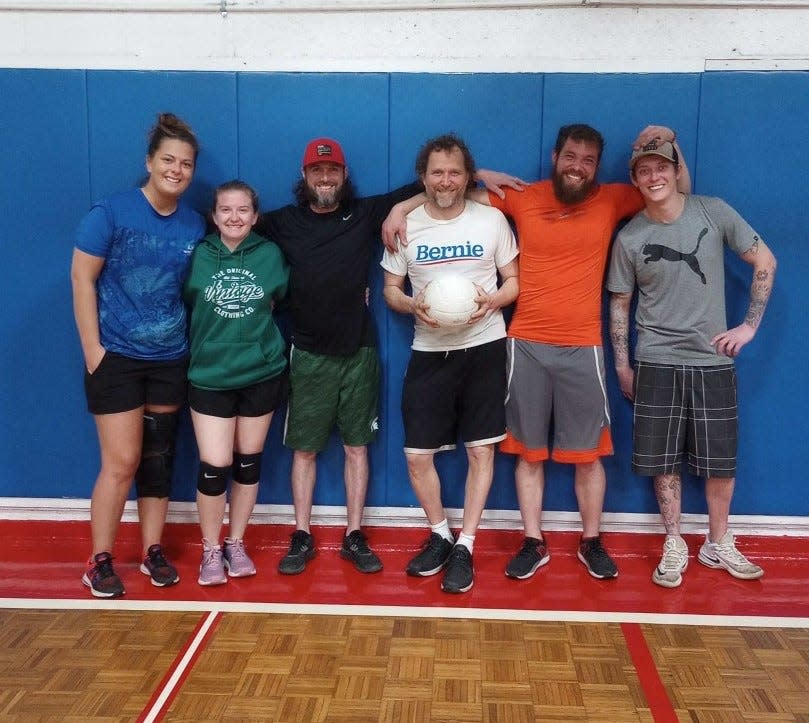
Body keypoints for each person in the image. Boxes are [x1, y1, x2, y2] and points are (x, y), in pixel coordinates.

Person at [383, 122, 688, 582]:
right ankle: (533, 541)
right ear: (555, 157)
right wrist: (400, 208)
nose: (578, 167)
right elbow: (449, 195)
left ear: (597, 166)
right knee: (529, 454)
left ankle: (591, 541)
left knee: (589, 455)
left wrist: (671, 146)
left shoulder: (612, 199)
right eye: (571, 157)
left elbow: (673, 189)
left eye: (588, 160)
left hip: (583, 345)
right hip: (524, 342)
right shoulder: (523, 197)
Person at [258, 137, 517, 576]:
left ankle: (443, 544)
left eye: (333, 171)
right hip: (332, 352)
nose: (325, 177)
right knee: (357, 452)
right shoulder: (284, 222)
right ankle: (313, 535)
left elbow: (426, 196)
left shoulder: (373, 214)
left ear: (344, 175)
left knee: (460, 450)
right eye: (317, 171)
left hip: (419, 348)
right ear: (304, 176)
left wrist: (491, 300)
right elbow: (235, 230)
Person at [607, 140, 776, 588]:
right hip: (656, 360)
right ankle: (675, 541)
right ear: (635, 180)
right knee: (664, 461)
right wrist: (623, 365)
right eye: (644, 170)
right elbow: (620, 304)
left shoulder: (713, 212)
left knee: (720, 461)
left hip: (712, 361)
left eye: (662, 166)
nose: (654, 176)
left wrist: (749, 327)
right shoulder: (630, 237)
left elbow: (765, 260)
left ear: (676, 170)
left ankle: (718, 542)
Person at [72, 113, 205, 598]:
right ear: (150, 162)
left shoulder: (193, 223)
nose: (177, 170)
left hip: (170, 356)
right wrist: (94, 350)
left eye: (186, 164)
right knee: (122, 461)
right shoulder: (111, 211)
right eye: (168, 160)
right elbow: (81, 278)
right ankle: (99, 560)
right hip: (118, 360)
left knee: (158, 461)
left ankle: (152, 552)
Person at [381, 133, 519, 593]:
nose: (446, 180)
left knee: (481, 449)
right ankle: (440, 533)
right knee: (417, 455)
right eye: (437, 172)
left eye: (455, 172)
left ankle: (467, 544)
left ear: (467, 175)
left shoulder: (491, 220)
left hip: (483, 346)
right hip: (429, 350)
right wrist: (409, 305)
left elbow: (513, 281)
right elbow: (389, 289)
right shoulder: (407, 224)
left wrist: (494, 301)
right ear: (423, 177)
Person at [184, 180, 289, 586]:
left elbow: (280, 299)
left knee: (248, 464)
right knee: (215, 467)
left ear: (255, 215)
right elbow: (189, 300)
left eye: (243, 210)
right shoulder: (199, 256)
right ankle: (211, 549)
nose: (234, 217)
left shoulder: (270, 255)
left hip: (260, 373)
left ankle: (236, 542)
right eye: (226, 210)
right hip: (210, 375)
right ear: (214, 216)